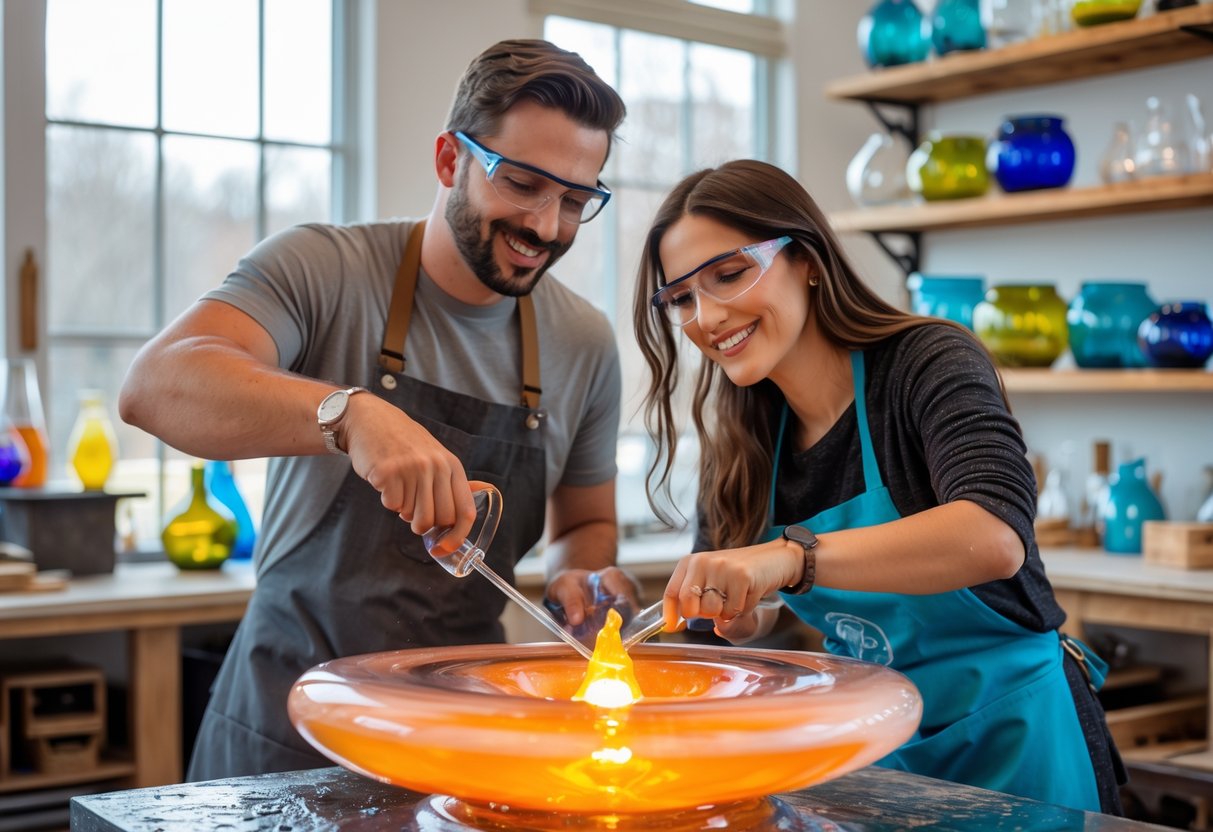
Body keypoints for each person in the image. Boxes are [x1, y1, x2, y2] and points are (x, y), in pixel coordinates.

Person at [119, 39, 635, 781]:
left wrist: (581, 583)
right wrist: (349, 413)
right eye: (522, 183)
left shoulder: (582, 340)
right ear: (450, 160)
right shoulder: (323, 269)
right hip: (284, 737)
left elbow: (584, 525)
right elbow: (156, 386)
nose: (548, 227)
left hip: (459, 743)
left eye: (576, 200)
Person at [631, 159, 1125, 814]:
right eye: (681, 300)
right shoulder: (740, 435)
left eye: (728, 274)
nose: (706, 317)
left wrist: (790, 559)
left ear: (805, 257)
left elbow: (992, 536)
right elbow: (729, 626)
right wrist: (741, 611)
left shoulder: (928, 362)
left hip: (1018, 741)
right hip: (874, 750)